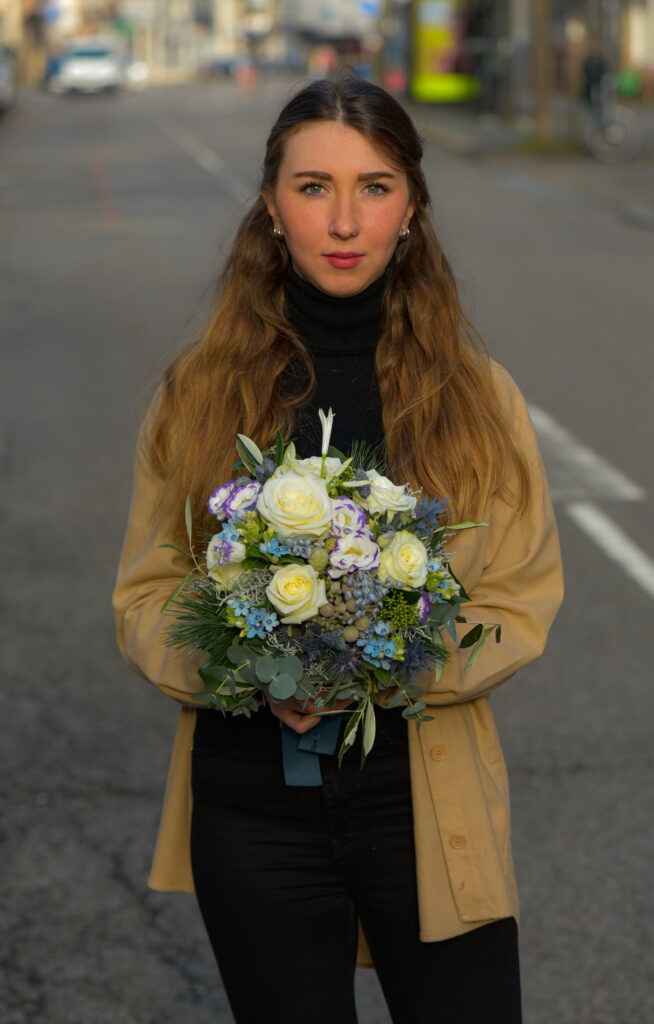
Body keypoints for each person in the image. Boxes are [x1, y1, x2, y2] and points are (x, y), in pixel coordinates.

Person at [113, 73, 563, 1024]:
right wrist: (243, 666)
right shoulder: (197, 394)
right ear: (272, 209)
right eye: (314, 187)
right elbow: (148, 594)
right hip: (252, 811)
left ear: (413, 212)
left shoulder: (480, 399)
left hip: (423, 801)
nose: (345, 219)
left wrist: (376, 664)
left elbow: (518, 601)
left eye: (376, 186)